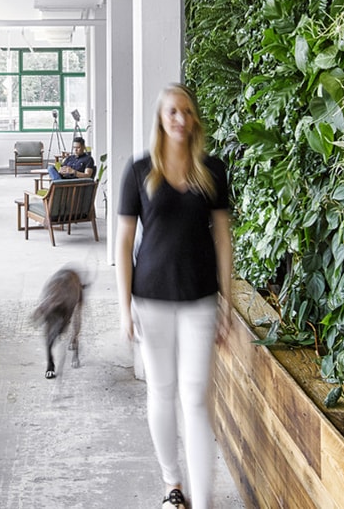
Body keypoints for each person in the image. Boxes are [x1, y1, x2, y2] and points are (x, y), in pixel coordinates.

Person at [115, 83, 234, 509]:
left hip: (200, 298)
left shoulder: (212, 170)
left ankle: (203, 500)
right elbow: (123, 241)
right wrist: (124, 307)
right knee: (162, 392)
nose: (181, 119)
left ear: (194, 117)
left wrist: (228, 303)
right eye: (172, 112)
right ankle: (173, 485)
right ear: (161, 119)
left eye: (187, 111)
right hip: (151, 298)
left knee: (195, 398)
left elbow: (223, 239)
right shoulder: (139, 171)